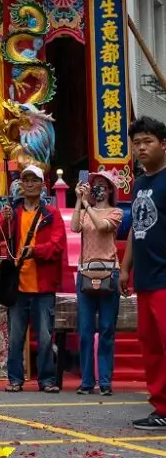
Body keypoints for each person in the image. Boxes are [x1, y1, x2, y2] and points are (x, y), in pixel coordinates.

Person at [0, 164, 68, 393]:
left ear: (42, 185)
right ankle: (15, 379)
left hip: (43, 285)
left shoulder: (51, 214)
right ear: (21, 185)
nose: (30, 184)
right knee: (16, 337)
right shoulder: (13, 212)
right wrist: (4, 219)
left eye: (35, 180)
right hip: (18, 285)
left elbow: (57, 245)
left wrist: (35, 251)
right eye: (26, 180)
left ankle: (46, 380)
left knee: (45, 336)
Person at [120, 116, 166, 432]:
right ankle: (161, 407)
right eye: (136, 143)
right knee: (151, 347)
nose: (141, 148)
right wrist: (125, 269)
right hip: (146, 280)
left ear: (164, 144)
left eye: (147, 141)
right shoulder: (139, 185)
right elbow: (137, 227)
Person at [71, 171, 123, 395]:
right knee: (84, 331)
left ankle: (104, 381)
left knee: (106, 330)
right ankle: (86, 381)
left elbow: (102, 227)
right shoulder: (84, 212)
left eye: (102, 184)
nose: (98, 188)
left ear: (110, 189)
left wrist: (87, 206)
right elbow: (74, 228)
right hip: (86, 273)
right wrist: (78, 201)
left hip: (109, 273)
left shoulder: (116, 212)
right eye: (95, 185)